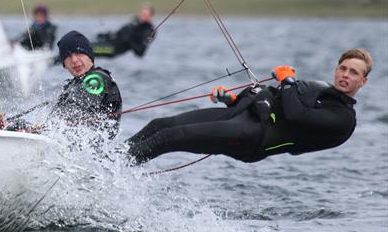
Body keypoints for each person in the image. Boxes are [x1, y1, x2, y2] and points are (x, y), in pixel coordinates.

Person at [124, 48, 371, 165]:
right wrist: (232, 100)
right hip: (240, 115)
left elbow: (295, 115)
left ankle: (113, 172)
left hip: (252, 138)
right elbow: (275, 105)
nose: (345, 75)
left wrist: (287, 81)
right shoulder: (322, 91)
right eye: (343, 68)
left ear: (363, 81)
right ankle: (106, 160)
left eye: (353, 72)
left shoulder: (343, 119)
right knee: (160, 124)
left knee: (170, 137)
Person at [0, 31, 122, 135]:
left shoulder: (96, 79)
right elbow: (58, 122)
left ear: (89, 56)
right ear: (64, 65)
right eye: (68, 56)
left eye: (79, 53)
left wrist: (31, 131)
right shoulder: (75, 84)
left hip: (90, 153)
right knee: (15, 125)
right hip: (69, 146)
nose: (74, 60)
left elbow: (74, 113)